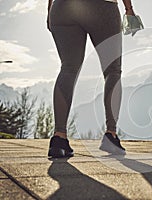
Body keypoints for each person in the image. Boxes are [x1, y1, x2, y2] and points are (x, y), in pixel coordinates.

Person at [47, 0, 135, 157]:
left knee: (68, 68)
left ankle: (59, 138)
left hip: (62, 7)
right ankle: (111, 134)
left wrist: (50, 9)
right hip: (102, 6)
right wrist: (129, 9)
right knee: (112, 70)